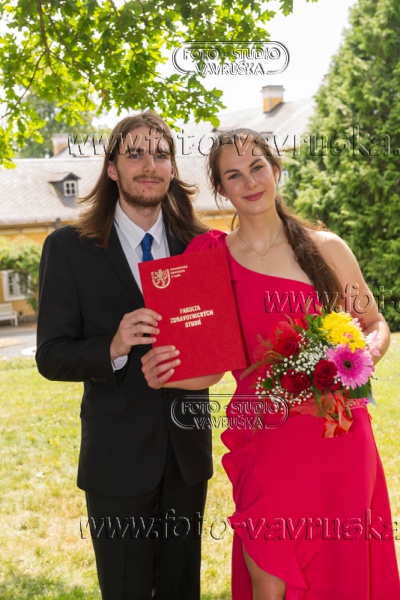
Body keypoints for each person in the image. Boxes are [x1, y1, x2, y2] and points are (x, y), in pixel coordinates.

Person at [141, 128, 400, 599]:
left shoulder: (327, 247)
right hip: (262, 433)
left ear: (276, 170)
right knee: (269, 571)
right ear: (221, 189)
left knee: (338, 565)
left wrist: (355, 358)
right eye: (234, 175)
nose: (250, 182)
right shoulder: (208, 258)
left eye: (257, 167)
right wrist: (164, 374)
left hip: (337, 433)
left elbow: (374, 323)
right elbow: (208, 370)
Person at [35, 111, 217, 600]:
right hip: (116, 458)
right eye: (135, 154)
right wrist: (113, 347)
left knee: (182, 589)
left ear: (172, 169)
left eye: (160, 155)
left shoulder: (198, 247)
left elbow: (215, 344)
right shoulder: (68, 248)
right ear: (112, 168)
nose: (149, 165)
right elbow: (51, 356)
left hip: (186, 455)